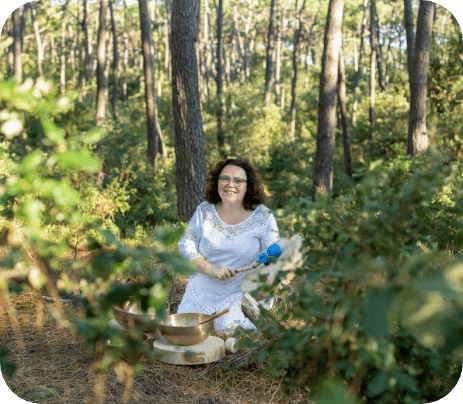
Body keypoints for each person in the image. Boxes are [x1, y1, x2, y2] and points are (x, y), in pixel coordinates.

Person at [177, 158, 280, 333]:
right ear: (217, 181)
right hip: (204, 287)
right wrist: (211, 270)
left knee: (226, 327)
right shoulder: (204, 211)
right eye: (225, 178)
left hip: (242, 293)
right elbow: (186, 245)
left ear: (248, 185)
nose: (230, 184)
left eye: (238, 180)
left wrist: (263, 283)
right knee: (186, 328)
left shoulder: (262, 216)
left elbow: (273, 255)